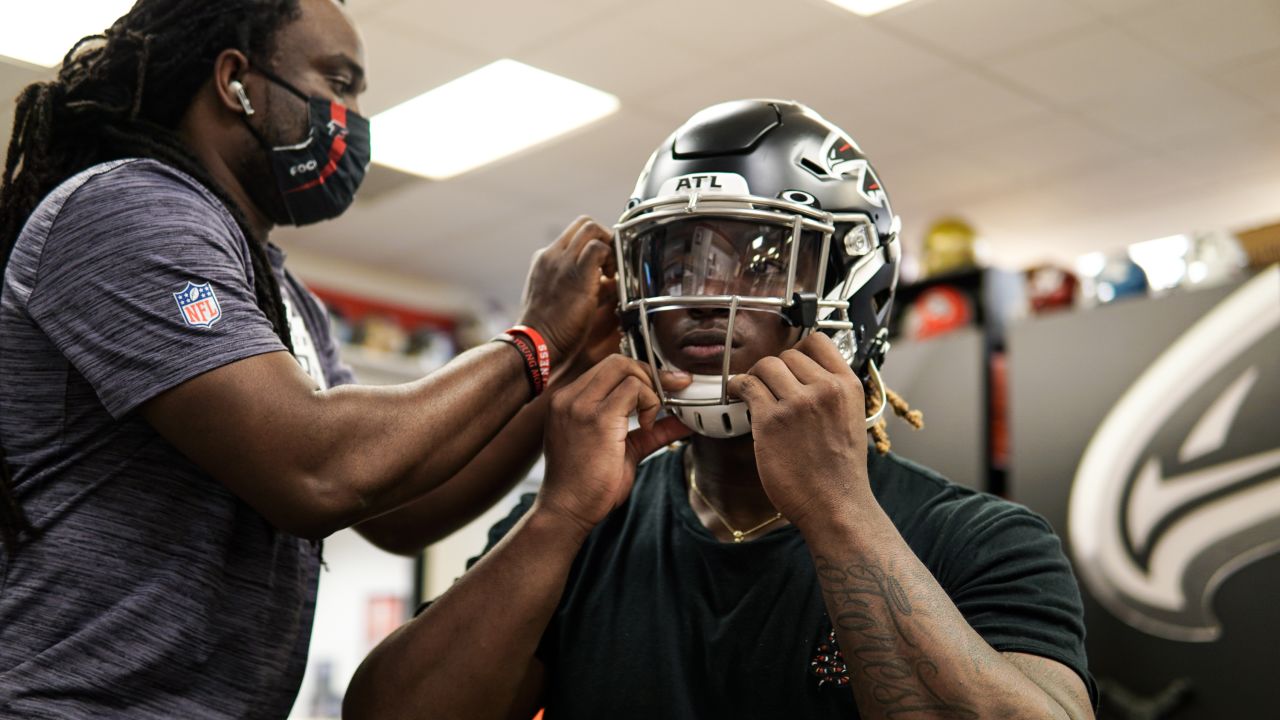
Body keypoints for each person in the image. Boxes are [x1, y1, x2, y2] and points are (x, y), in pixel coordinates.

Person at [344, 100, 1098, 719]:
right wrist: (557, 519)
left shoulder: (983, 539)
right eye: (677, 260)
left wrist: (838, 510)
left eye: (763, 258)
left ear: (852, 287)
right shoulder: (587, 523)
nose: (704, 293)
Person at [0, 1, 651, 717]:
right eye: (338, 82)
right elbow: (318, 470)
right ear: (235, 81)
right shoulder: (129, 207)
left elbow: (399, 505)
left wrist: (565, 370)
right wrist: (533, 339)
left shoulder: (287, 297)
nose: (353, 116)